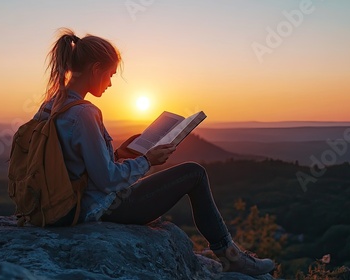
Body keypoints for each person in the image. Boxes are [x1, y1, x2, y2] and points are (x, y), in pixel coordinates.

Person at [32, 28, 275, 276]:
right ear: (96, 69)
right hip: (99, 207)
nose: (110, 83)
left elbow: (73, 164)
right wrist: (147, 160)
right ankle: (231, 257)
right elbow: (105, 180)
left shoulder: (51, 105)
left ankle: (231, 254)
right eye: (110, 75)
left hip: (63, 204)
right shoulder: (84, 113)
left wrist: (120, 154)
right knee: (194, 173)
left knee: (180, 168)